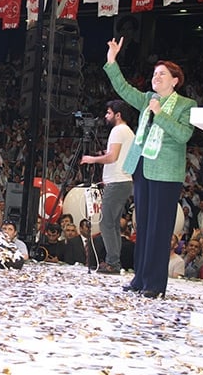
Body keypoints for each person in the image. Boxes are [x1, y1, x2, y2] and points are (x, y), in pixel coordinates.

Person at [105, 37, 197, 298]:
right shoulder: (147, 99)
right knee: (143, 226)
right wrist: (112, 60)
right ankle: (140, 278)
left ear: (175, 80)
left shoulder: (185, 105)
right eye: (155, 74)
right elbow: (123, 89)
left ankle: (155, 284)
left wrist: (160, 113)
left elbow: (183, 135)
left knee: (159, 228)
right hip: (143, 167)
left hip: (166, 173)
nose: (156, 77)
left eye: (162, 74)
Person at [80, 100, 134, 275]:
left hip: (117, 181)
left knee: (106, 223)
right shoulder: (128, 132)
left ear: (118, 115)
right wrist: (104, 155)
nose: (106, 116)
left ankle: (113, 262)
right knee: (113, 224)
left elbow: (112, 157)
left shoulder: (118, 130)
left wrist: (92, 159)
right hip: (124, 180)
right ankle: (114, 261)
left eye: (109, 113)